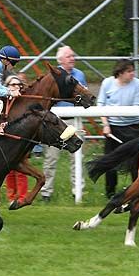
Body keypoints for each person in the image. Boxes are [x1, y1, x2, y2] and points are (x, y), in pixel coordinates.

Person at [41, 46, 88, 202]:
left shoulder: (80, 75)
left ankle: (78, 192)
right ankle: (46, 192)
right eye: (68, 56)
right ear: (60, 60)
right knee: (51, 159)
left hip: (74, 121)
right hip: (56, 123)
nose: (72, 58)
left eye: (73, 56)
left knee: (77, 158)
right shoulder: (52, 77)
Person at [97, 59, 139, 198]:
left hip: (132, 128)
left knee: (135, 162)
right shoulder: (107, 83)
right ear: (120, 72)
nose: (132, 74)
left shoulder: (138, 84)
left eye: (133, 71)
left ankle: (137, 192)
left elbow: (137, 108)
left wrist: (115, 112)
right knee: (110, 161)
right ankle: (110, 194)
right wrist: (106, 125)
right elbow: (100, 104)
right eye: (129, 71)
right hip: (112, 128)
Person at [2, 74, 29, 204]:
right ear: (6, 87)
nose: (16, 87)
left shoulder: (23, 102)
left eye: (19, 85)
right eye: (13, 85)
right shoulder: (3, 101)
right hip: (6, 141)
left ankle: (22, 197)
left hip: (20, 140)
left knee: (21, 169)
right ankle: (12, 197)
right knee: (8, 170)